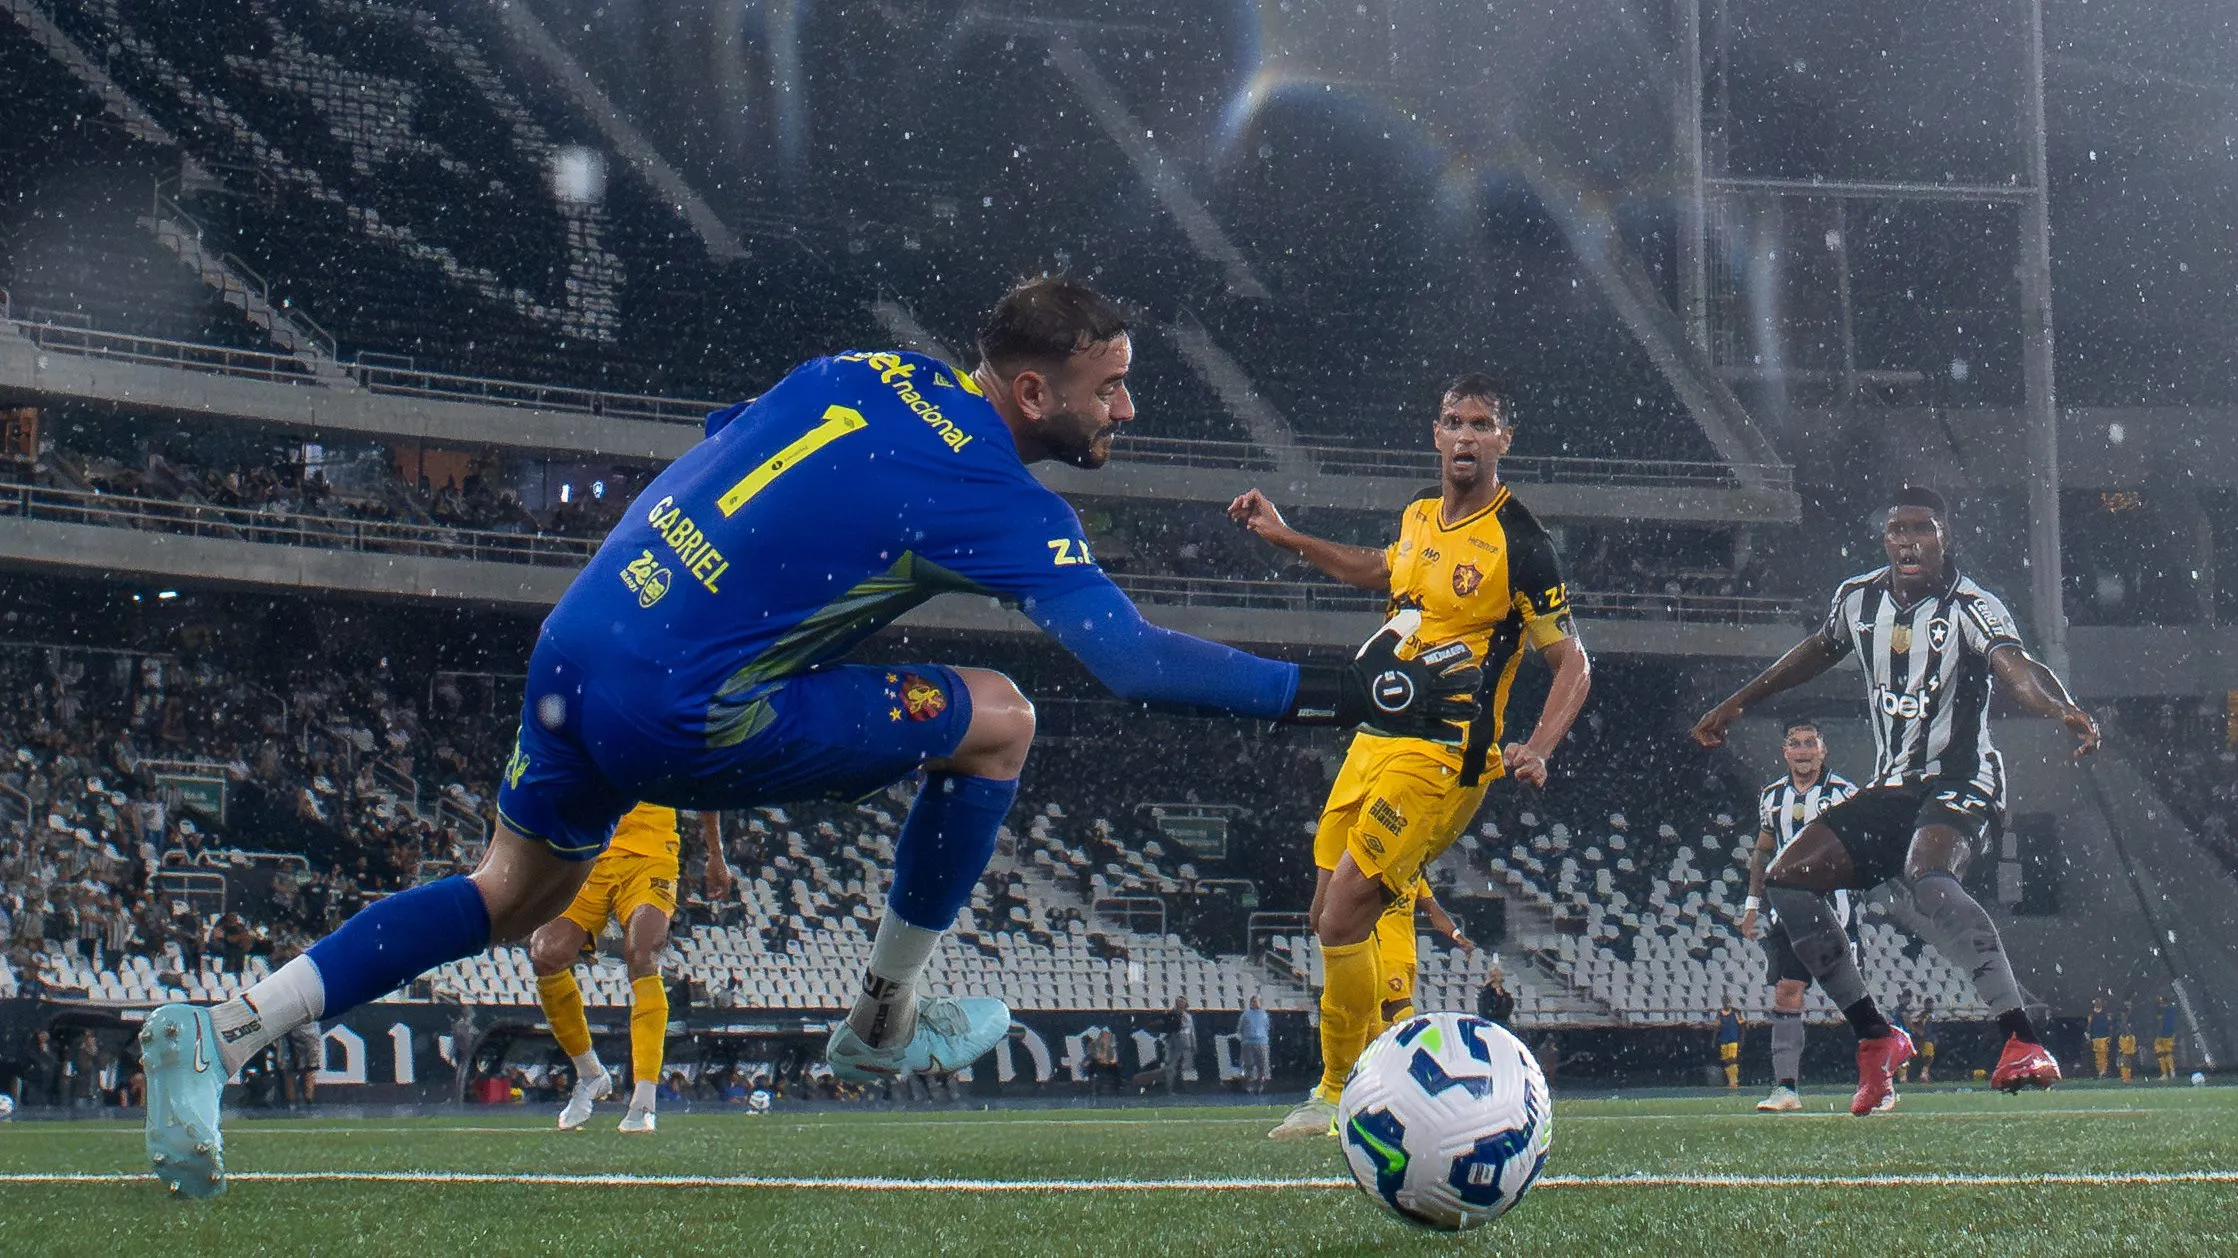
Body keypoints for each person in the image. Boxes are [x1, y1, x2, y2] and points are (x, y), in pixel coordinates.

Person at [138, 277, 1478, 1197]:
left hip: (582, 640)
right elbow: (1133, 663)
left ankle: (226, 1027)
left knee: (508, 895)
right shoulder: (997, 492)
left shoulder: (857, 367)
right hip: (682, 707)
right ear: (1031, 389)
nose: (1124, 410)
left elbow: (732, 449)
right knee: (1002, 720)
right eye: (1109, 389)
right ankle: (881, 1020)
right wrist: (1349, 692)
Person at [1238, 373, 1592, 1140]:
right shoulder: (1420, 515)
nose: (1466, 435)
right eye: (1454, 421)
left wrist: (1539, 745)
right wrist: (1286, 536)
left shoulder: (1522, 543)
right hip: (1375, 738)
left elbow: (1574, 661)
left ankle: (1338, 1094)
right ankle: (1377, 1079)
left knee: (1344, 914)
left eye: (1482, 424)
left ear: (1504, 441)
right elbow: (1381, 569)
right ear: (1435, 434)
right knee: (1327, 916)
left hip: (1444, 753)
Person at [1691, 486, 2099, 1115]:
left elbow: (2016, 665)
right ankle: (1876, 1038)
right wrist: (1738, 702)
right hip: (1894, 785)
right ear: (1884, 540)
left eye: (1921, 529)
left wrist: (2060, 707)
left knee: (1927, 875)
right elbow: (1814, 652)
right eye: (1896, 530)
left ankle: (2021, 1040)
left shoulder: (1971, 607)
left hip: (1963, 780)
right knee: (1787, 881)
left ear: (1944, 537)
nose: (1907, 541)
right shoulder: (1858, 599)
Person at [534, 805, 730, 1134]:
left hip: (650, 853)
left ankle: (644, 1099)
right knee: (546, 954)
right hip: (589, 852)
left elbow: (707, 786)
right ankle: (590, 1073)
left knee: (642, 953)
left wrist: (716, 854)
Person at [1741, 721, 1857, 1113]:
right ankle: (1785, 1088)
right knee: (1787, 990)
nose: (1803, 750)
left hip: (1834, 909)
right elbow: (1762, 851)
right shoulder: (1772, 796)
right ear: (1785, 752)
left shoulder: (1845, 794)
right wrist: (1752, 905)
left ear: (1823, 750)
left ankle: (1881, 1081)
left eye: (1811, 743)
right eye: (1796, 743)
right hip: (1788, 910)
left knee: (1853, 998)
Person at [1373, 878, 1474, 1031]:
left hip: (1408, 958)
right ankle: (1431, 1044)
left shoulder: (1414, 877)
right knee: (1403, 1013)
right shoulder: (1375, 874)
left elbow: (1432, 908)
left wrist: (1457, 935)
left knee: (1387, 1020)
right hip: (1385, 957)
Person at [1236, 996, 1271, 1094]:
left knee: (1262, 1065)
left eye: (1257, 1002)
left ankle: (1260, 1085)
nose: (1255, 1003)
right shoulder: (1245, 1015)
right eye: (1254, 1002)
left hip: (1262, 1042)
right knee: (1248, 1065)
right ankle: (1248, 1086)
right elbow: (1240, 1028)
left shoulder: (1264, 1015)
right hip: (1248, 1043)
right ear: (1251, 1003)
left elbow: (1267, 1027)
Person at [1162, 997, 1196, 1094]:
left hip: (1186, 1045)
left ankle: (1184, 1087)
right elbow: (1169, 1028)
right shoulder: (1171, 1015)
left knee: (1186, 1067)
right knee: (1172, 1066)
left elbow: (1191, 1031)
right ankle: (1169, 1088)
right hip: (1175, 1044)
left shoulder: (1188, 1017)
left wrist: (1194, 1044)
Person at [1715, 1003, 1744, 1089]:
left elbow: (1742, 1026)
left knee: (1733, 1059)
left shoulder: (1735, 1012)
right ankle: (1730, 1081)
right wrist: (1714, 1040)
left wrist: (1742, 1039)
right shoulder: (1719, 1013)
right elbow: (1717, 1027)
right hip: (1723, 1039)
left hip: (1733, 1039)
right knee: (1726, 1060)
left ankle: (1734, 1081)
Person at [2087, 998, 2113, 1079]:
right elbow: (2089, 1026)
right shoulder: (2092, 1014)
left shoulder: (2105, 1013)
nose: (2098, 1003)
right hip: (2096, 1037)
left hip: (2105, 1036)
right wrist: (2089, 1036)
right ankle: (2100, 1071)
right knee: (2098, 1055)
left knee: (2105, 1055)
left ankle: (2104, 1071)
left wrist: (2110, 1035)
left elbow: (2110, 1025)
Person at [2155, 995, 2179, 1081]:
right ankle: (2172, 1072)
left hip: (2162, 1035)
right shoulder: (2172, 1009)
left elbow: (2160, 1023)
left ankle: (2165, 1074)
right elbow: (2174, 1022)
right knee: (2168, 1053)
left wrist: (2158, 1035)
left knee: (2160, 1054)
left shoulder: (2161, 1010)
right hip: (2170, 1034)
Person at [2117, 1002, 2138, 1085]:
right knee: (2125, 1056)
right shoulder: (2124, 1016)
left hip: (2130, 1037)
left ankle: (2127, 1077)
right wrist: (2128, 1034)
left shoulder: (2130, 1016)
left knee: (2129, 1057)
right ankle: (2125, 1078)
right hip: (2126, 1038)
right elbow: (2124, 1026)